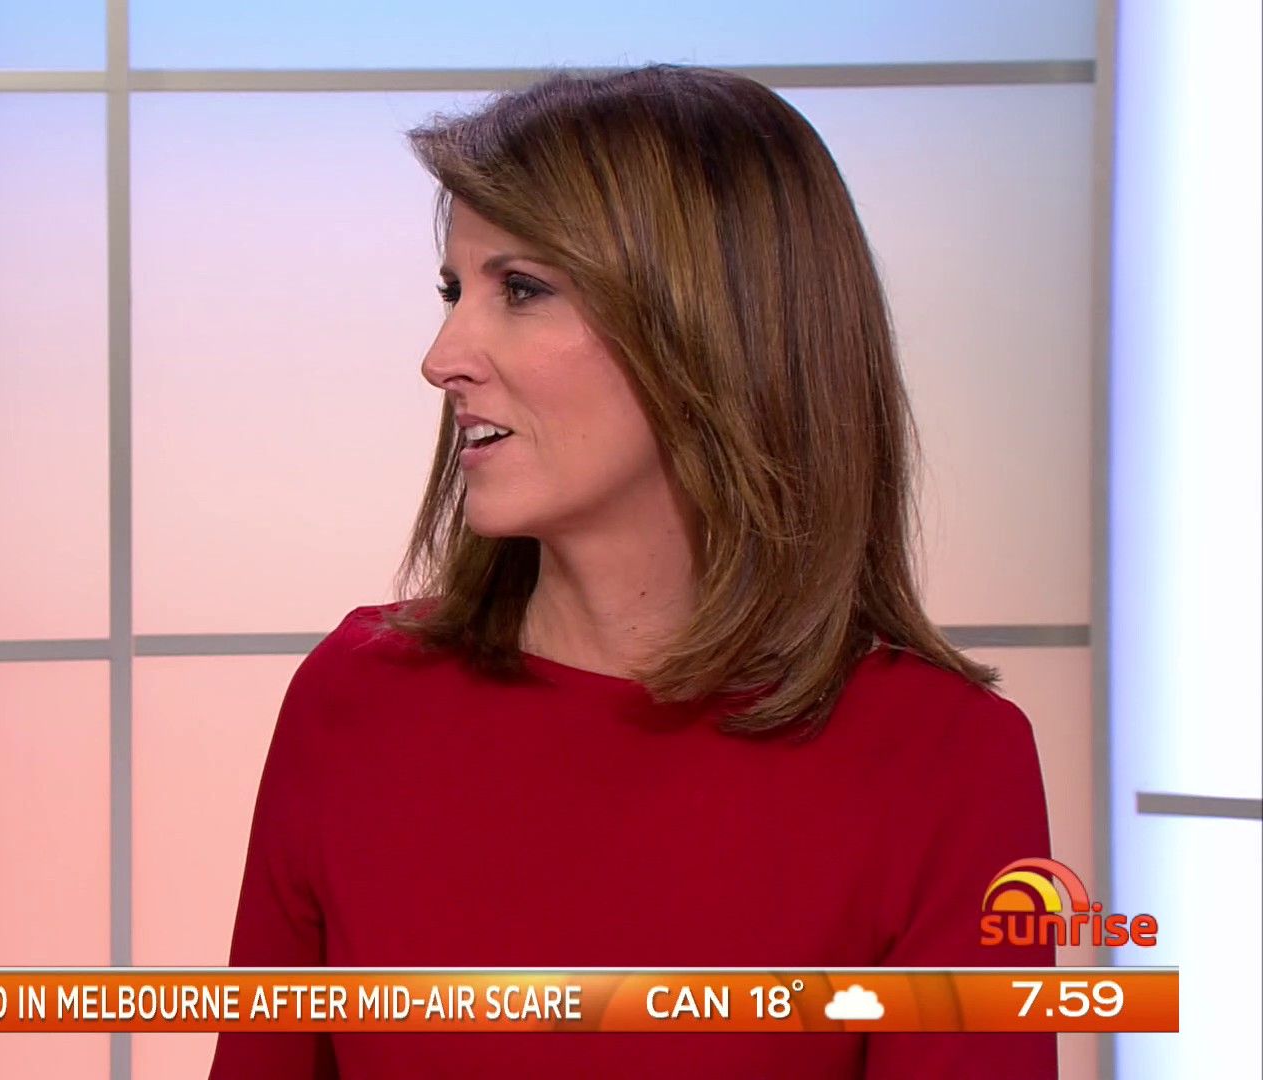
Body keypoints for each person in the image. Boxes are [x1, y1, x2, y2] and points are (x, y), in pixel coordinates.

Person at [208, 65, 1058, 1078]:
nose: (443, 357)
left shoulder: (945, 765)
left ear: (715, 329)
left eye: (521, 289)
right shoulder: (352, 704)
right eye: (453, 291)